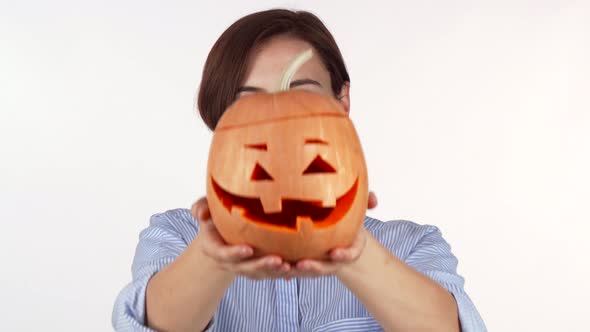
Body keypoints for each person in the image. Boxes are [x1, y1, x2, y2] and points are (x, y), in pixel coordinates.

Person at [112, 9, 486, 332]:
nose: (281, 119)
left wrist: (353, 251)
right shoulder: (175, 236)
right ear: (224, 123)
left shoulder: (414, 246)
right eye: (251, 101)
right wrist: (213, 257)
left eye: (302, 93)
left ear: (342, 101)